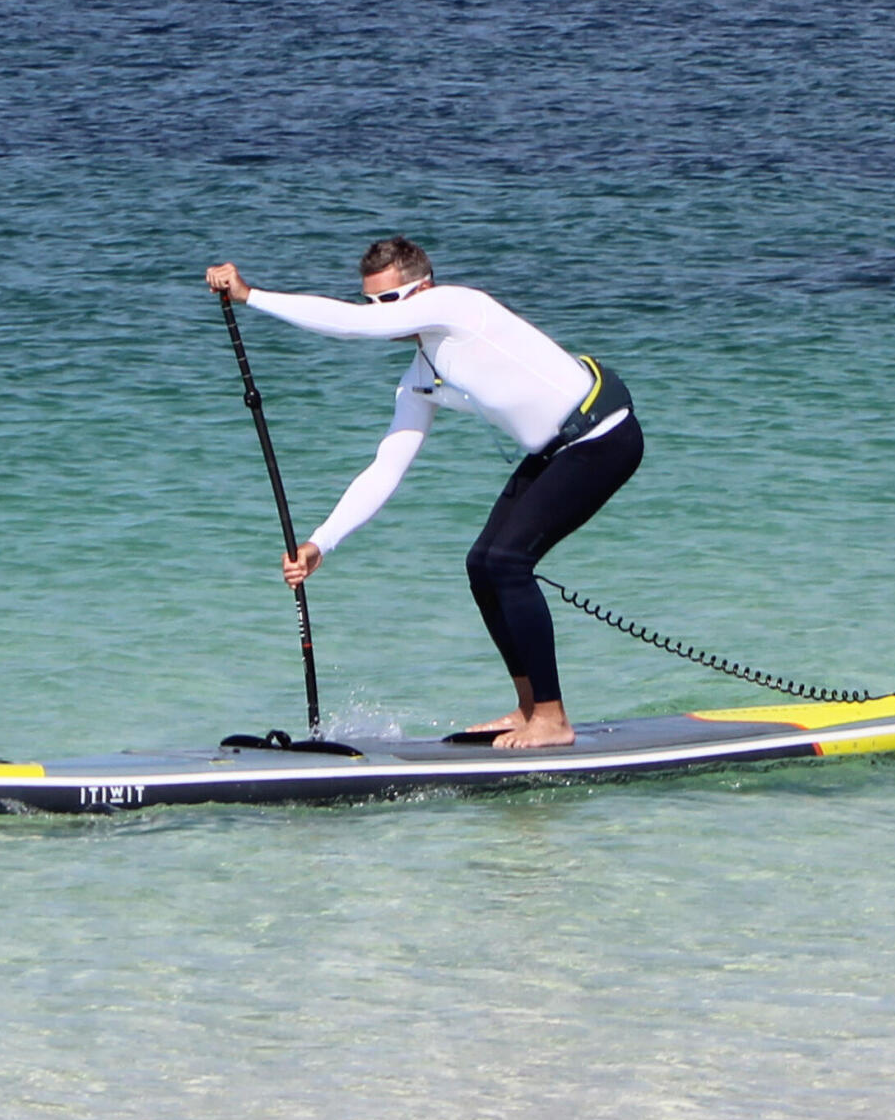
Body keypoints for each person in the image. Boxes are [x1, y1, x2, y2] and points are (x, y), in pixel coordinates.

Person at [205, 237, 643, 749]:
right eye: (371, 301)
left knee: (507, 562)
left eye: (390, 301)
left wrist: (250, 295)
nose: (380, 315)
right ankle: (528, 708)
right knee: (481, 565)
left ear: (424, 287)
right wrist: (321, 542)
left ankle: (553, 718)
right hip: (556, 449)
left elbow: (352, 324)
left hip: (603, 437)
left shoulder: (456, 305)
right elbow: (386, 467)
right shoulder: (420, 376)